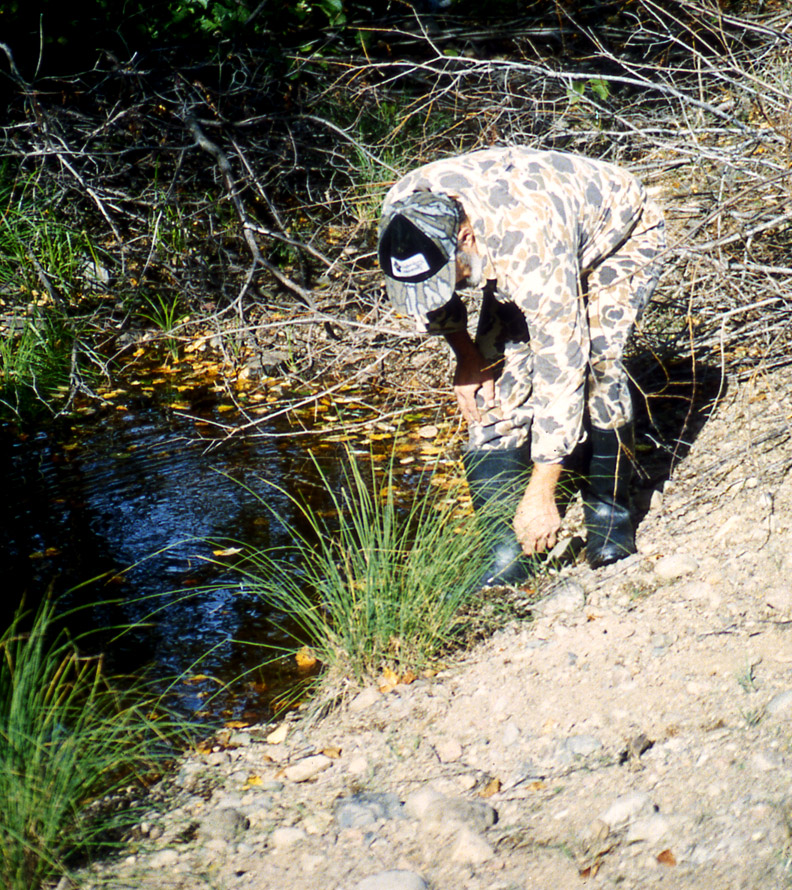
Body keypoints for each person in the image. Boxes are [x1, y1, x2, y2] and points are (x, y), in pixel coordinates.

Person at [377, 146, 665, 585]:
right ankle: (504, 550)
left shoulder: (528, 240)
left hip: (617, 238)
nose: (444, 287)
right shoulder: (403, 218)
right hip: (526, 246)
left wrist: (543, 489)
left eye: (449, 276)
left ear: (466, 239)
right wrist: (466, 355)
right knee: (496, 380)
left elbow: (562, 363)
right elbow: (426, 294)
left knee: (598, 365)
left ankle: (609, 519)